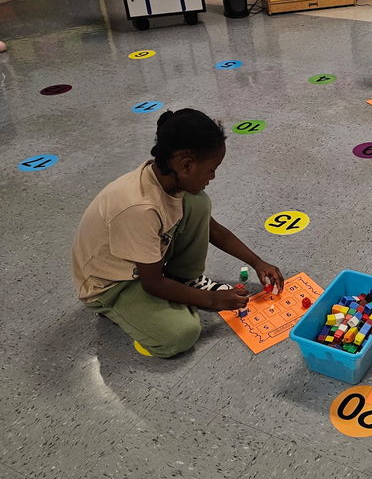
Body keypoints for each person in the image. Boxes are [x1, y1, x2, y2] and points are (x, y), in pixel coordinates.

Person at [72, 108, 284, 358]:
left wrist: (257, 262)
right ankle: (129, 306)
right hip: (111, 284)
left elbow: (213, 230)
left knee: (198, 202)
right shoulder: (139, 208)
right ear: (186, 165)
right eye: (211, 169)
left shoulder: (166, 179)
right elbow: (152, 283)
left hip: (146, 262)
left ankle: (184, 281)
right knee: (182, 333)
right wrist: (211, 300)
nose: (213, 177)